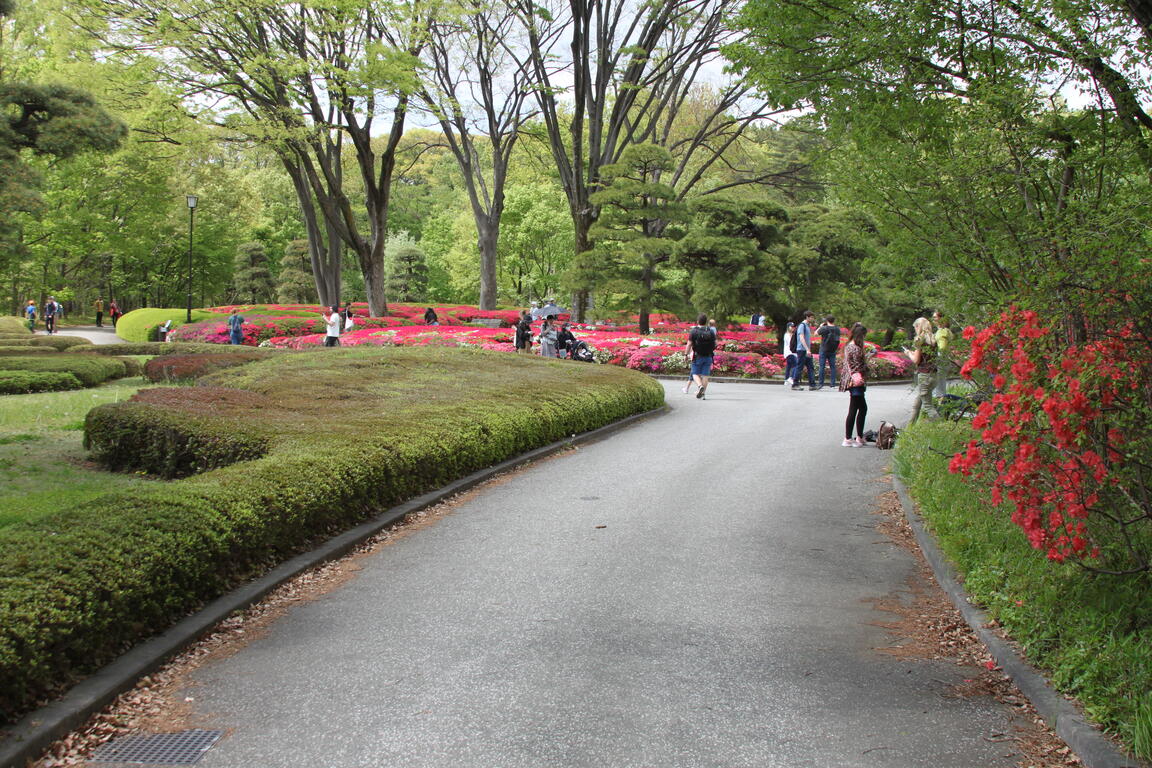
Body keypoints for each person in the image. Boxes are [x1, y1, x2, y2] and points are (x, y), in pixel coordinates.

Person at [841, 323, 873, 446]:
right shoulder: (855, 348)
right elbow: (858, 365)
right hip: (856, 381)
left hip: (853, 380)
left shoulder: (849, 346)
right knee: (855, 409)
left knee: (860, 408)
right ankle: (848, 438)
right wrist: (868, 359)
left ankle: (858, 437)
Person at [905, 316, 939, 422]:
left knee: (928, 406)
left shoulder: (919, 339)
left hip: (924, 375)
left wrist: (908, 354)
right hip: (934, 374)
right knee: (918, 402)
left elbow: (916, 360)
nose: (915, 329)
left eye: (915, 327)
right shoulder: (933, 339)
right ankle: (910, 427)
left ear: (919, 326)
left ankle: (942, 426)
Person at [686, 313, 717, 400]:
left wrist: (686, 354)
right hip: (708, 356)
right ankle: (703, 394)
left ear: (697, 321)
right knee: (705, 376)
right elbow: (715, 344)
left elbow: (689, 344)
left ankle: (700, 387)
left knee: (695, 373)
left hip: (697, 356)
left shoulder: (694, 331)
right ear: (706, 322)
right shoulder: (710, 331)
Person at [792, 310, 816, 390]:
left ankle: (812, 385)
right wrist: (807, 349)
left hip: (806, 350)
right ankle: (795, 384)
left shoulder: (807, 325)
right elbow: (801, 338)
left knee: (810, 367)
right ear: (807, 317)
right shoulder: (802, 325)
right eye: (811, 317)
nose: (813, 319)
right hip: (802, 350)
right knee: (799, 367)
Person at [932, 311, 954, 398]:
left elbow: (942, 348)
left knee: (939, 388)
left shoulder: (942, 332)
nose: (933, 319)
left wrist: (936, 360)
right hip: (944, 361)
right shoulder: (946, 330)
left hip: (940, 361)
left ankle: (939, 406)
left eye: (935, 317)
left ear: (941, 319)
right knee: (941, 386)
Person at [816, 315, 841, 390]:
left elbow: (815, 334)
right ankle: (832, 384)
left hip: (824, 349)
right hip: (833, 350)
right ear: (834, 320)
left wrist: (820, 326)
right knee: (833, 367)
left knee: (822, 366)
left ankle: (821, 384)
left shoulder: (824, 328)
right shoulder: (837, 329)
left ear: (827, 320)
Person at [782, 322, 797, 386]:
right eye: (791, 327)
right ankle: (791, 377)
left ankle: (786, 379)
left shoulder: (793, 334)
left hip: (792, 352)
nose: (793, 328)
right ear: (788, 327)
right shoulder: (787, 335)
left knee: (789, 366)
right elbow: (790, 343)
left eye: (794, 327)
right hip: (789, 352)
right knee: (795, 365)